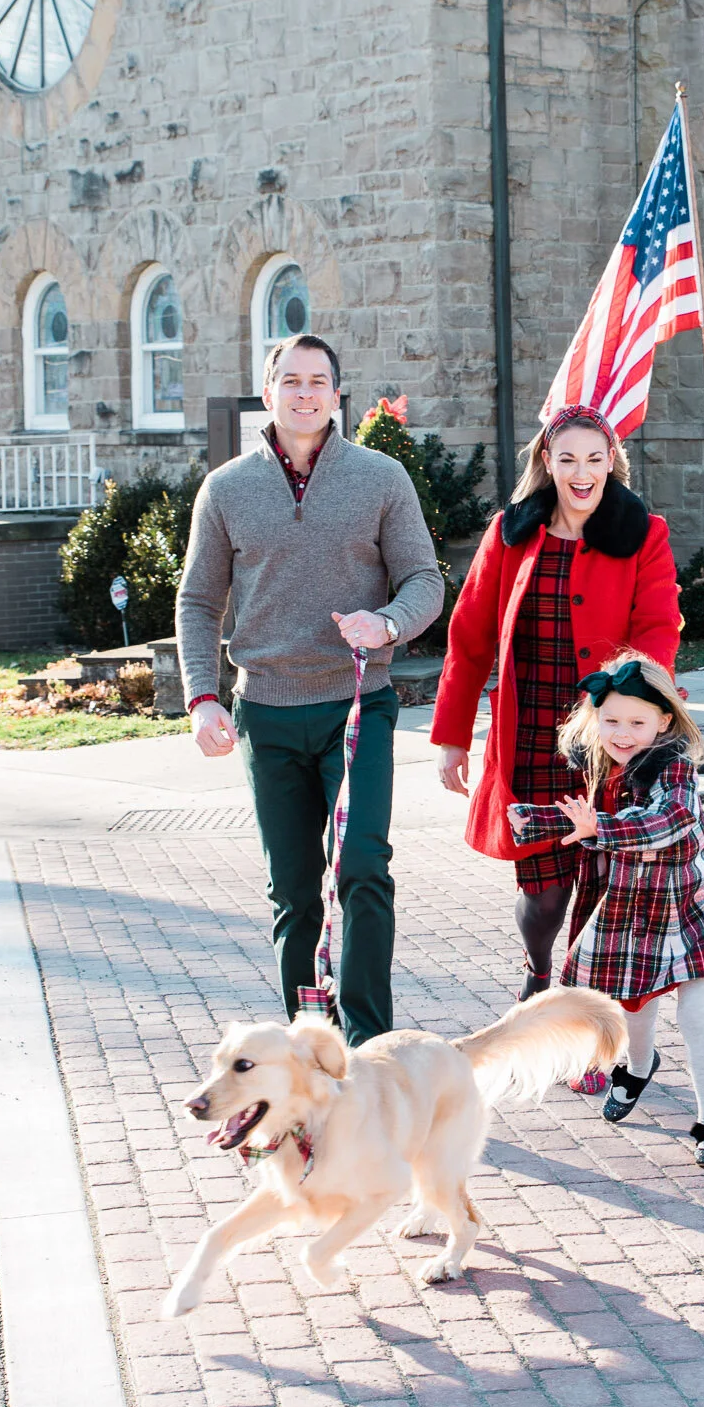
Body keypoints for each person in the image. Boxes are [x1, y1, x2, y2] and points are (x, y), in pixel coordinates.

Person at [176, 334, 444, 1045]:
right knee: (294, 891)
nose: (304, 393)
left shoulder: (381, 478)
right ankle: (307, 1038)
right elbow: (198, 601)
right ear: (267, 392)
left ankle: (367, 1044)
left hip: (357, 707)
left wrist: (385, 623)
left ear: (336, 393)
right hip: (264, 712)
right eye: (289, 380)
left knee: (361, 870)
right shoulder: (227, 488)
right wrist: (202, 696)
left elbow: (424, 580)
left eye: (317, 381)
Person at [430, 403, 680, 1088]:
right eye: (567, 458)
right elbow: (470, 636)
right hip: (528, 737)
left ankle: (583, 1034)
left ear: (611, 464)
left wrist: (638, 703)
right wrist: (452, 737)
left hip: (607, 746)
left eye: (594, 460)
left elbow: (659, 627)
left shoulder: (643, 535)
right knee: (544, 897)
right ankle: (539, 973)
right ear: (546, 461)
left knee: (597, 894)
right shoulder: (510, 535)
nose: (581, 473)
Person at [507, 652, 704, 1167]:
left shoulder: (672, 767)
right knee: (633, 1006)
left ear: (665, 721)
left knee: (696, 1011)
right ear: (594, 718)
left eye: (637, 722)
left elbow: (668, 821)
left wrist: (600, 830)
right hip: (636, 904)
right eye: (611, 720)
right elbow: (589, 820)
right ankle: (638, 1066)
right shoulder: (601, 764)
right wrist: (538, 819)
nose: (623, 732)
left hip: (694, 898)